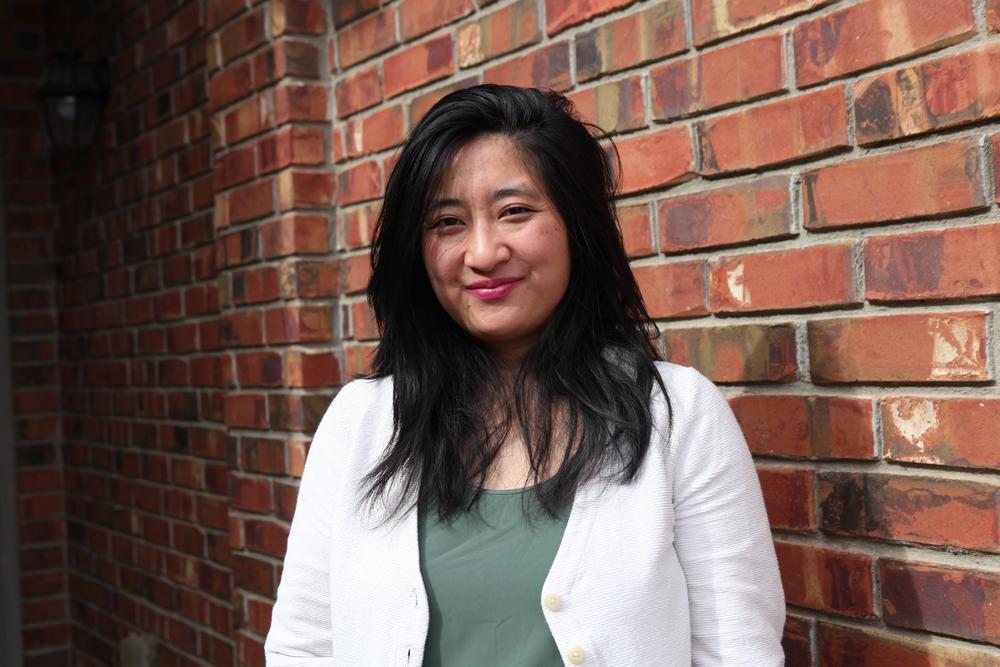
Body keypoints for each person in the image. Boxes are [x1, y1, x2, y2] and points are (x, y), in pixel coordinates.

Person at [264, 84, 785, 666]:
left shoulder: (677, 415)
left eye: (515, 212)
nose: (483, 252)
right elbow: (303, 647)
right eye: (447, 222)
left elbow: (737, 652)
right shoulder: (361, 425)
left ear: (576, 226)